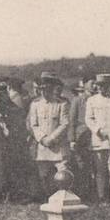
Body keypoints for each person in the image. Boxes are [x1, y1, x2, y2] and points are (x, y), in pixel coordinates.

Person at [26, 72, 70, 200]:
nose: (44, 92)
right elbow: (34, 125)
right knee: (44, 176)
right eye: (42, 89)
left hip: (58, 147)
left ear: (52, 88)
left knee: (62, 174)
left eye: (47, 89)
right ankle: (48, 198)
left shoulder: (61, 104)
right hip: (43, 147)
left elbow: (65, 124)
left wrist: (52, 138)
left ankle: (62, 199)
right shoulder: (35, 105)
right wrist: (43, 139)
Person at [85, 73, 110, 204]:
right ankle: (101, 197)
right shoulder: (92, 100)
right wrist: (98, 130)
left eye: (103, 86)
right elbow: (89, 118)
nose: (100, 88)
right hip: (98, 139)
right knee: (100, 170)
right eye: (98, 85)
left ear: (108, 86)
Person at [68, 77, 94, 200]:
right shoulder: (78, 100)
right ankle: (83, 193)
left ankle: (94, 191)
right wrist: (72, 139)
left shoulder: (98, 99)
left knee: (95, 164)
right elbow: (72, 121)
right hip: (81, 137)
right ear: (84, 85)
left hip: (95, 136)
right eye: (91, 83)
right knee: (82, 165)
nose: (94, 86)